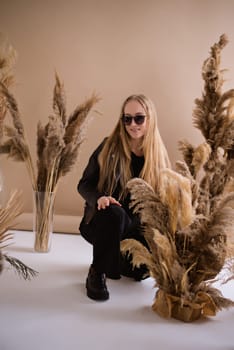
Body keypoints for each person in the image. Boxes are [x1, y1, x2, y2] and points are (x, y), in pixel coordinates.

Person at [77, 94, 171, 301]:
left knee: (139, 273)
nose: (132, 124)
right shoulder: (108, 147)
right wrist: (100, 198)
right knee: (114, 213)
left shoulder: (158, 156)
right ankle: (96, 272)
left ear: (150, 119)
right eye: (127, 119)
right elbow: (84, 184)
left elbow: (163, 202)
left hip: (135, 229)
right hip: (106, 220)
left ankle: (112, 256)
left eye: (139, 118)